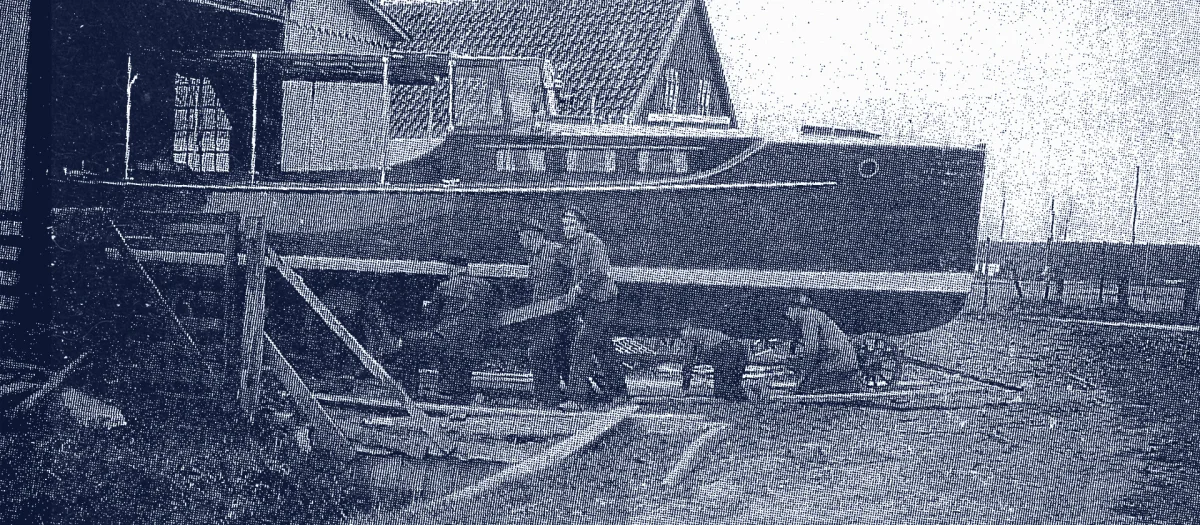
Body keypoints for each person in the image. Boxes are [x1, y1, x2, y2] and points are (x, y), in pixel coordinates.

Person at [400, 252, 496, 404]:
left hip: (446, 340)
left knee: (408, 340)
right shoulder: (486, 287)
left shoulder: (444, 286)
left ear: (452, 268)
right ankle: (455, 395)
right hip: (473, 343)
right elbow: (490, 313)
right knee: (455, 351)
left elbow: (430, 315)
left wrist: (425, 306)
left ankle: (410, 393)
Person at [559, 207, 626, 410]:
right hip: (591, 304)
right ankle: (619, 392)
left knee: (581, 346)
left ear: (583, 226)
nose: (568, 229)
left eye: (572, 224)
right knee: (604, 348)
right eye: (565, 225)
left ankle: (577, 399)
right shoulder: (574, 246)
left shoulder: (592, 242)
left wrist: (578, 289)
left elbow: (598, 271)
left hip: (602, 302)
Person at [518, 217, 574, 406]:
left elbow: (575, 276)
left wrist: (567, 302)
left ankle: (548, 398)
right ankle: (557, 395)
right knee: (553, 352)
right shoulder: (534, 257)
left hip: (556, 312)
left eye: (522, 237)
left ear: (531, 236)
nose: (520, 241)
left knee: (540, 351)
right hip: (540, 313)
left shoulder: (556, 251)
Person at [785, 294, 862, 394]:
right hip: (847, 361)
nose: (787, 314)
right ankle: (845, 385)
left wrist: (803, 371)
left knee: (804, 390)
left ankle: (843, 387)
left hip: (837, 362)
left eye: (789, 309)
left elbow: (812, 350)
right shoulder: (817, 315)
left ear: (797, 308)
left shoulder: (807, 318)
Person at [678, 319, 749, 401]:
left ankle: (731, 395)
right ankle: (736, 394)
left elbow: (689, 359)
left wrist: (685, 386)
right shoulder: (705, 332)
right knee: (731, 381)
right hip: (737, 347)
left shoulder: (688, 334)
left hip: (723, 349)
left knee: (723, 385)